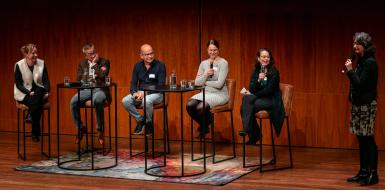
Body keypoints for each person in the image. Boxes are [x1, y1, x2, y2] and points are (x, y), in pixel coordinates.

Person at [345, 32, 378, 186]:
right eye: (354, 43)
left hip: (366, 105)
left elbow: (360, 84)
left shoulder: (370, 62)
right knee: (361, 139)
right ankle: (363, 171)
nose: (354, 46)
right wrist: (351, 70)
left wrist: (350, 71)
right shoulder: (361, 61)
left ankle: (373, 174)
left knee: (368, 140)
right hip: (358, 104)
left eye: (357, 43)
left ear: (364, 45)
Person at [239, 48, 284, 145]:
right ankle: (252, 132)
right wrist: (258, 80)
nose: (266, 59)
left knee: (245, 107)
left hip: (271, 100)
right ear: (258, 58)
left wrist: (254, 95)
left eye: (268, 57)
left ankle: (250, 132)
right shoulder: (256, 71)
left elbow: (269, 90)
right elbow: (251, 87)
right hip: (259, 98)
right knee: (246, 100)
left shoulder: (274, 72)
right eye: (263, 57)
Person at [186, 39, 229, 138]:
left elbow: (219, 84)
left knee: (201, 107)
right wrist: (205, 74)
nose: (212, 52)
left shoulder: (223, 63)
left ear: (218, 50)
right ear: (207, 50)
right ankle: (205, 124)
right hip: (205, 92)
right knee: (190, 105)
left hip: (219, 94)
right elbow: (197, 83)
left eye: (215, 50)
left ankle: (204, 126)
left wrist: (205, 82)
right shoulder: (203, 63)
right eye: (210, 50)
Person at [70, 43, 110, 145]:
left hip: (100, 89)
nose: (93, 55)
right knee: (73, 101)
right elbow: (79, 79)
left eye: (94, 52)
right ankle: (80, 128)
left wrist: (95, 64)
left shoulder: (104, 62)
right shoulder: (82, 64)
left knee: (97, 100)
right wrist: (92, 76)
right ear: (85, 55)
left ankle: (100, 129)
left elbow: (103, 75)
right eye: (90, 54)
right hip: (86, 90)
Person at [122, 44, 166, 136]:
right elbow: (133, 82)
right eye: (147, 54)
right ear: (141, 56)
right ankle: (141, 120)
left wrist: (145, 92)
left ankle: (148, 123)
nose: (150, 56)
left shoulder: (160, 66)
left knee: (147, 100)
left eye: (151, 53)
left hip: (156, 94)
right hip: (140, 93)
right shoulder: (137, 66)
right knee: (125, 101)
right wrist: (134, 93)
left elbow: (161, 85)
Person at [14, 43, 50, 142]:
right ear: (26, 54)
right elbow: (18, 84)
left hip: (38, 92)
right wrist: (28, 92)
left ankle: (30, 114)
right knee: (36, 104)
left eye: (36, 52)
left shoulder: (41, 63)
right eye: (33, 53)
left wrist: (47, 91)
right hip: (24, 93)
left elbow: (46, 80)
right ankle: (35, 132)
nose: (36, 55)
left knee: (39, 91)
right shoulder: (19, 65)